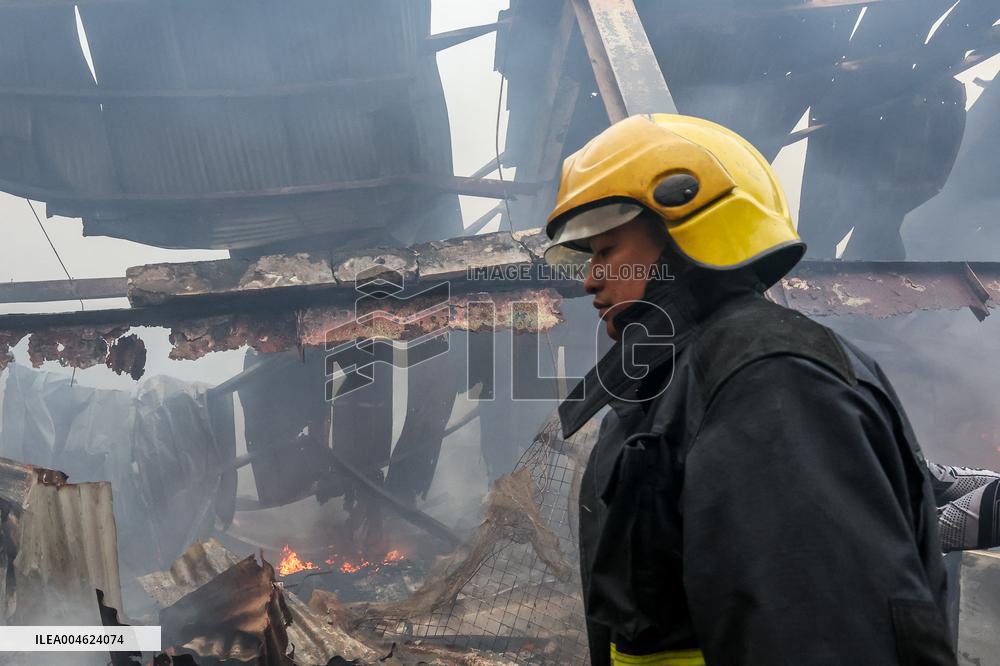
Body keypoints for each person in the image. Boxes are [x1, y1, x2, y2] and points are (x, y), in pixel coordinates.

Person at [545, 114, 957, 665]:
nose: (589, 279)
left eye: (606, 250)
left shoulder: (772, 381)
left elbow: (819, 637)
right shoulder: (678, 382)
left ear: (686, 231)